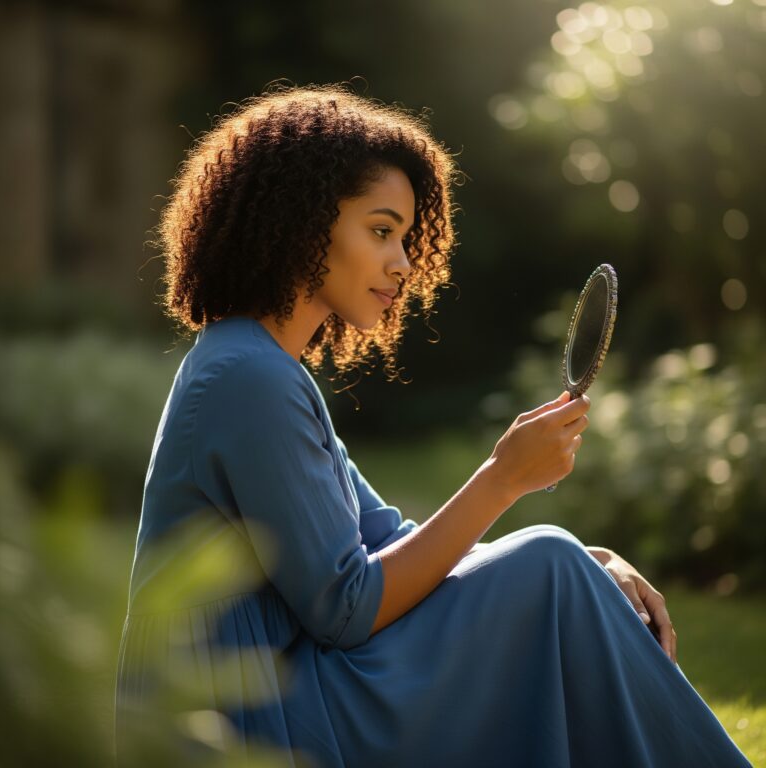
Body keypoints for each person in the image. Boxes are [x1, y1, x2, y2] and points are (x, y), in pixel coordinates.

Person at [115, 84, 751, 768]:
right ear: (302, 223)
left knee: (560, 566)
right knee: (548, 561)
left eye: (405, 237)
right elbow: (348, 607)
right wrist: (503, 479)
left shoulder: (255, 363)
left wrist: (594, 568)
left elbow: (391, 543)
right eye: (381, 230)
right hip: (250, 726)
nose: (403, 262)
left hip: (283, 697)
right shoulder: (248, 376)